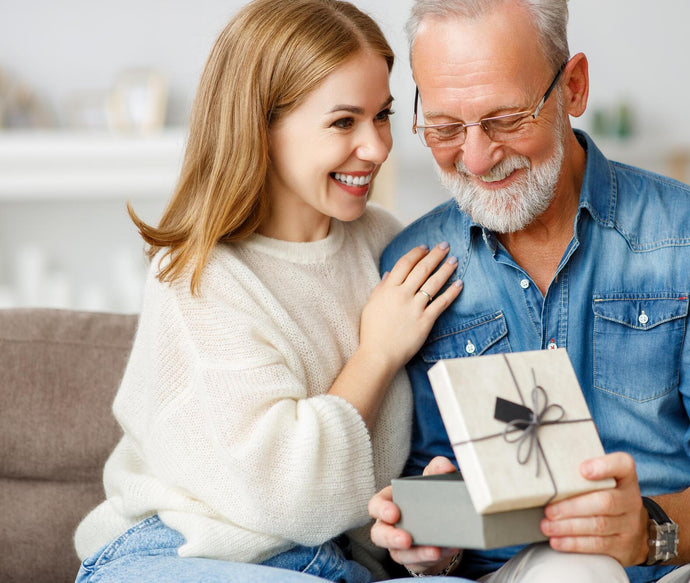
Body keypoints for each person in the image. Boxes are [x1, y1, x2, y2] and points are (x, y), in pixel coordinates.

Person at [368, 1, 690, 582]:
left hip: (674, 557)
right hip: (520, 573)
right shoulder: (411, 268)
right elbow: (422, 494)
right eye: (445, 127)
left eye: (506, 119)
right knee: (574, 572)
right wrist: (430, 542)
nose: (476, 159)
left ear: (574, 87)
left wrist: (648, 529)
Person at [72, 1, 469, 582]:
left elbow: (395, 474)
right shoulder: (198, 276)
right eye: (343, 122)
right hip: (181, 553)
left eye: (382, 115)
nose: (378, 147)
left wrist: (433, 530)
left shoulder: (387, 244)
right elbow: (291, 493)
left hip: (333, 566)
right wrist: (377, 353)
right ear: (261, 125)